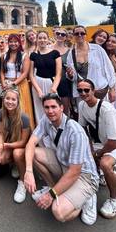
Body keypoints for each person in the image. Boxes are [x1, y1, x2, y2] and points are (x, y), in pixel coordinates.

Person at [24, 93, 99, 225]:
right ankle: (54, 188)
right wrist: (29, 171)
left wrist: (50, 196)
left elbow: (75, 171)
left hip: (84, 176)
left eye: (54, 107)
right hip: (64, 164)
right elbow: (31, 143)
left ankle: (86, 197)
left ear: (61, 108)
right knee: (34, 154)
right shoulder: (46, 119)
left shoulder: (75, 131)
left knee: (58, 212)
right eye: (47, 107)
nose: (50, 111)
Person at [77, 79, 116, 218]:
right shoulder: (82, 105)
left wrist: (96, 154)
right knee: (79, 156)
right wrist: (90, 149)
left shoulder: (107, 110)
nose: (83, 93)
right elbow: (83, 130)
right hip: (99, 143)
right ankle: (105, 175)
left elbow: (113, 143)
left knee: (105, 163)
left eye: (86, 90)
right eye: (80, 90)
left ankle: (114, 200)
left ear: (94, 91)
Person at [0, 87, 31, 202]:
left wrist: (4, 146)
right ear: (3, 100)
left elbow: (24, 142)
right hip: (9, 141)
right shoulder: (1, 113)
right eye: (7, 98)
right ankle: (15, 163)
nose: (10, 102)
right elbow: (1, 133)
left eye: (13, 99)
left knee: (17, 153)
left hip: (22, 146)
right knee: (0, 159)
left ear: (18, 101)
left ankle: (22, 182)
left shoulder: (24, 117)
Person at [65, 26, 116, 106]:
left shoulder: (97, 49)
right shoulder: (71, 53)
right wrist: (70, 75)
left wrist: (112, 89)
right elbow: (73, 77)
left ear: (85, 35)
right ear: (73, 35)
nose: (79, 35)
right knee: (86, 116)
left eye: (82, 33)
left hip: (99, 89)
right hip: (83, 93)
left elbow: (109, 68)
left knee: (102, 115)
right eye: (77, 33)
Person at [0, 34, 34, 129]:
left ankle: (25, 133)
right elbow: (2, 71)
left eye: (15, 42)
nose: (13, 44)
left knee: (22, 109)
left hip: (20, 84)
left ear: (19, 43)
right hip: (7, 85)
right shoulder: (4, 55)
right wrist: (3, 83)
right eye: (11, 41)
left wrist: (14, 83)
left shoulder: (24, 56)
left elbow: (25, 73)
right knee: (8, 110)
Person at [29, 31, 62, 124]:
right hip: (37, 83)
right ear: (36, 39)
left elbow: (58, 73)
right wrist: (38, 90)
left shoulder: (55, 53)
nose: (42, 40)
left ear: (48, 39)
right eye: (40, 38)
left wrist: (54, 88)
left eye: (44, 38)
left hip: (51, 83)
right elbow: (31, 74)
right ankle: (42, 135)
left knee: (53, 109)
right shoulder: (33, 55)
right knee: (39, 109)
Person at [52, 28, 72, 116]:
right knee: (51, 107)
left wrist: (71, 73)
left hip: (64, 82)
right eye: (58, 33)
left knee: (65, 109)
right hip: (51, 82)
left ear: (66, 37)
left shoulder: (69, 51)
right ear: (55, 34)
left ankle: (64, 127)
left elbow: (72, 67)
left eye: (63, 34)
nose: (60, 35)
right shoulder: (48, 48)